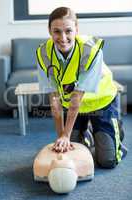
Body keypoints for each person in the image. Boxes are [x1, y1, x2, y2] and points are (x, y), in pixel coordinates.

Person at [36, 7, 127, 169]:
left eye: (68, 31)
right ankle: (87, 135)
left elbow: (77, 97)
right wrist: (61, 137)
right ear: (49, 31)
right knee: (71, 149)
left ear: (76, 30)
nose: (63, 38)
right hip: (73, 109)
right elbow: (54, 98)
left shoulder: (90, 51)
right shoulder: (43, 53)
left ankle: (115, 131)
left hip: (102, 104)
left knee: (107, 161)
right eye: (57, 31)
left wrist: (66, 134)